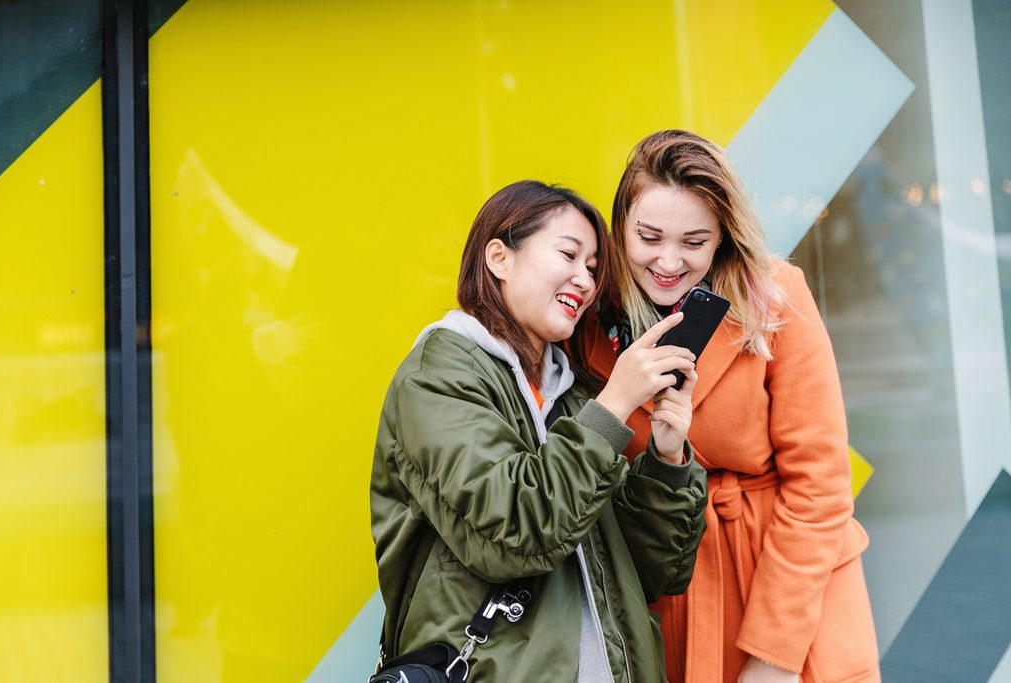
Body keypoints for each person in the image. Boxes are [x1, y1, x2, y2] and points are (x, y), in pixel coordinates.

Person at [370, 180, 708, 682]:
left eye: (593, 268)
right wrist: (614, 405)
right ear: (499, 258)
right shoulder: (437, 376)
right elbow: (516, 533)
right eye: (569, 255)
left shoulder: (572, 396)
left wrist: (665, 457)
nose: (585, 281)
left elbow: (653, 575)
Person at [576, 131, 880, 682]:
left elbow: (820, 486)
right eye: (649, 237)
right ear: (621, 230)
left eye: (694, 241)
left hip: (788, 585)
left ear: (722, 238)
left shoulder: (773, 296)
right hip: (673, 582)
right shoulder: (593, 323)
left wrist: (774, 655)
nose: (668, 261)